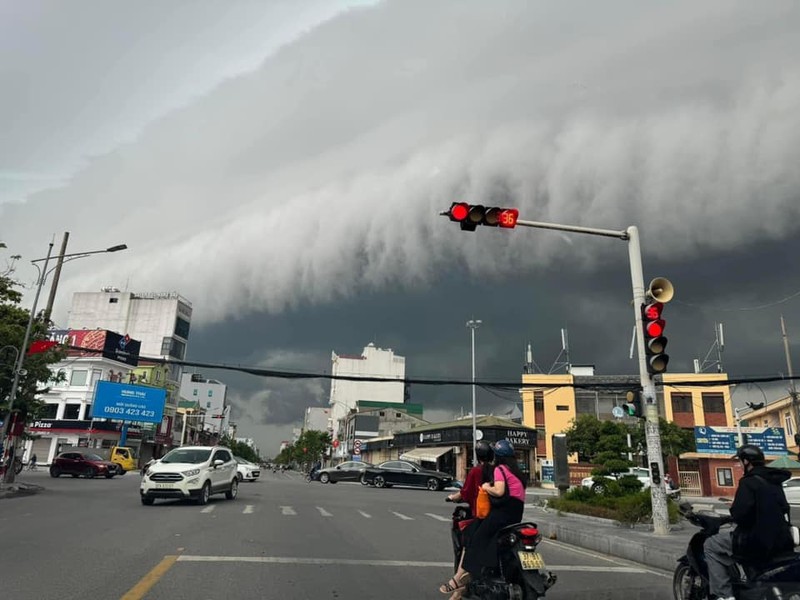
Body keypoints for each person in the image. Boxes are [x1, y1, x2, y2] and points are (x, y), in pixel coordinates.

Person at [704, 444, 794, 600]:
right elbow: (783, 508)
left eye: (740, 461)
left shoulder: (748, 482)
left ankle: (724, 595)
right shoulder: (774, 481)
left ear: (746, 462)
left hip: (756, 541)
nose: (740, 465)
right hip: (782, 539)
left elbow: (740, 514)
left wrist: (733, 511)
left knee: (711, 544)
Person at [441, 440, 527, 599]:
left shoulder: (496, 469)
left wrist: (486, 487)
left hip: (498, 514)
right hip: (516, 515)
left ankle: (460, 578)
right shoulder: (518, 472)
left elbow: (495, 491)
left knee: (473, 538)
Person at [439, 441, 495, 594]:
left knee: (468, 541)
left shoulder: (476, 471)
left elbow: (465, 493)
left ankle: (459, 577)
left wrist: (452, 497)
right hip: (499, 516)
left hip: (482, 516)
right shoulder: (498, 471)